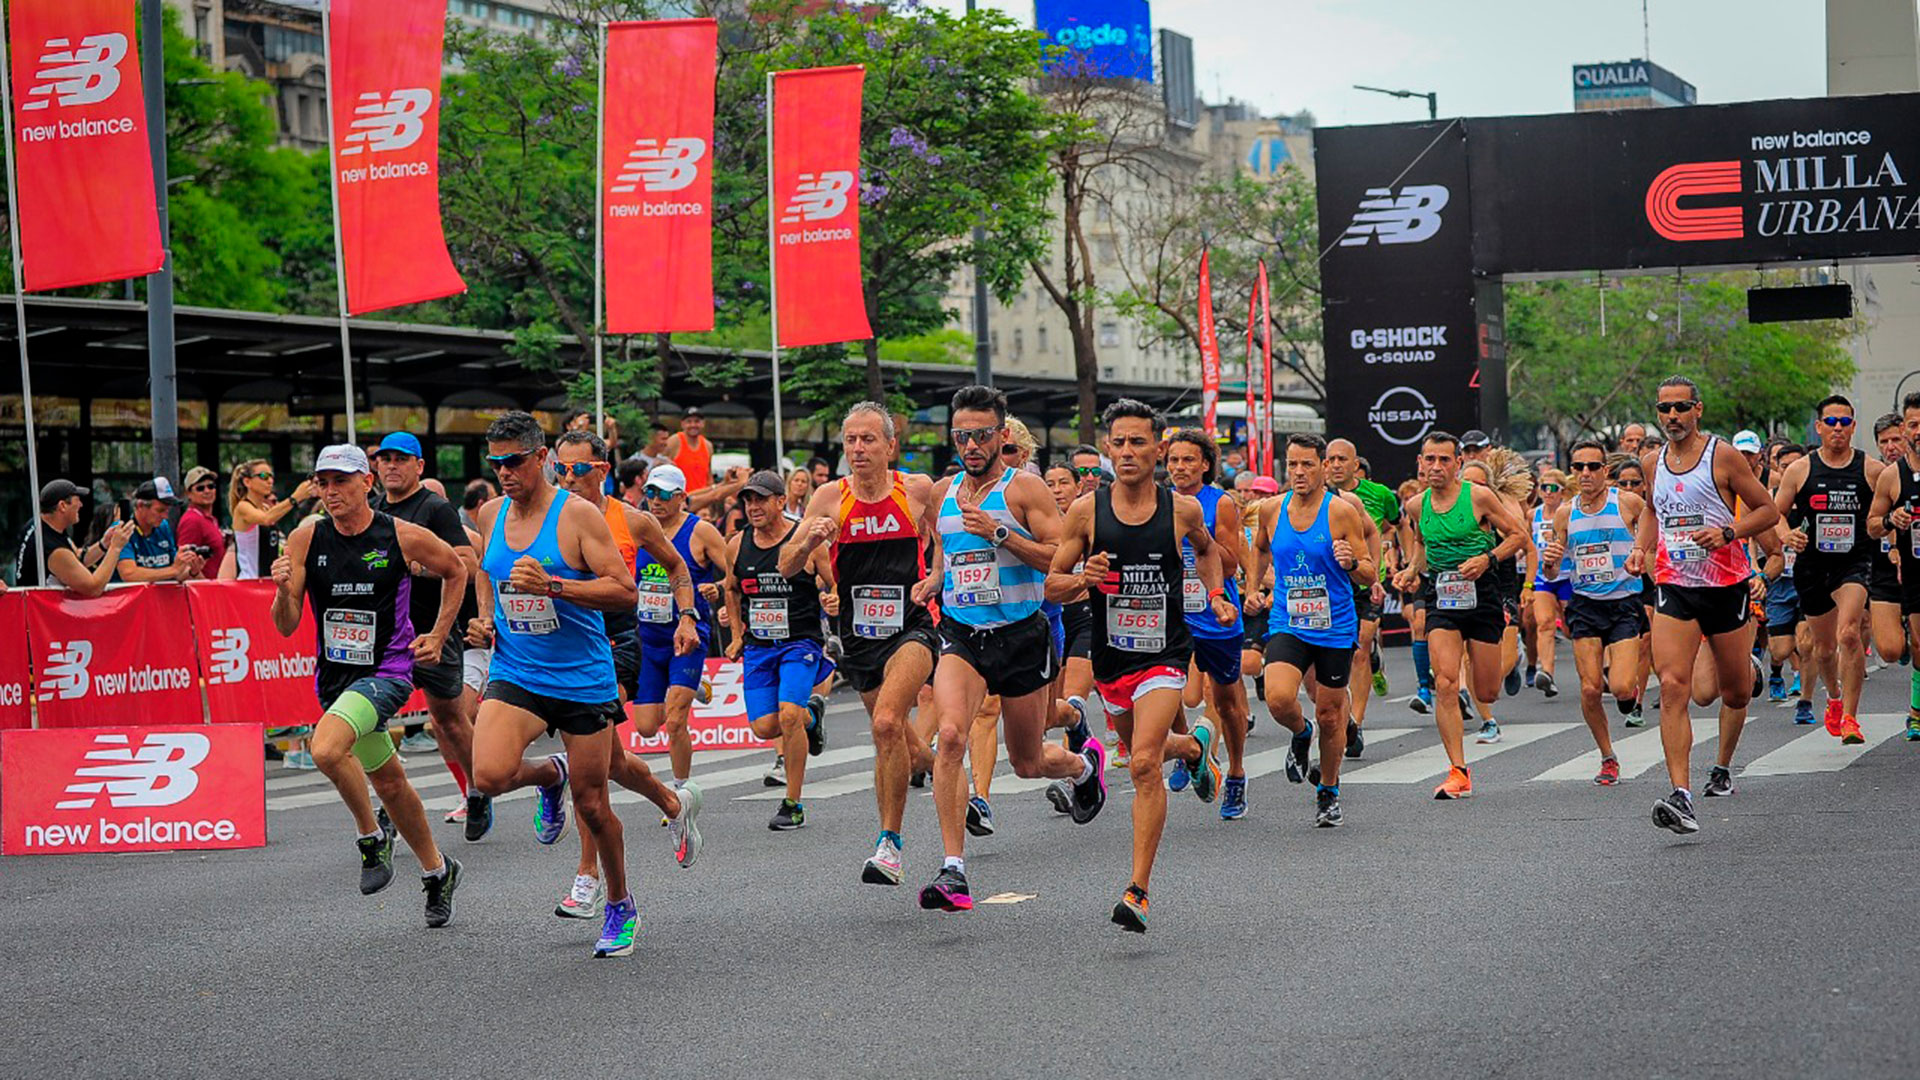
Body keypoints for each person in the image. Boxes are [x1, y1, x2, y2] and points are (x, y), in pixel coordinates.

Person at [1046, 398, 1235, 932]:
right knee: (1139, 751)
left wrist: (1216, 593)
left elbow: (1208, 551)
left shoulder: (1183, 510)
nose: (1128, 452)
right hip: (1111, 658)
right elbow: (1053, 584)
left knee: (1146, 764)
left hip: (1166, 653)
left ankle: (1138, 890)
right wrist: (1083, 576)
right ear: (1108, 450)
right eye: (1119, 443)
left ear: (1158, 448)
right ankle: (1197, 746)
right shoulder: (1086, 512)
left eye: (1138, 442)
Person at [466, 411, 643, 958]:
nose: (504, 472)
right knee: (489, 774)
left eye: (514, 461)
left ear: (541, 458)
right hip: (517, 669)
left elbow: (625, 591)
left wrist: (557, 586)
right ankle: (549, 775)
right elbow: (486, 568)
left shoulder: (578, 516)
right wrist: (486, 615)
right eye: (495, 462)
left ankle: (619, 904)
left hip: (582, 676)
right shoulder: (491, 513)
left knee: (593, 805)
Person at [268, 444, 466, 928]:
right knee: (392, 783)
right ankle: (438, 870)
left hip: (388, 672)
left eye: (341, 481)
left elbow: (458, 569)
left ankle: (371, 837)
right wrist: (281, 588)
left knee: (326, 747)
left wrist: (439, 634)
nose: (330, 491)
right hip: (336, 678)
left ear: (366, 484)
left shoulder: (399, 534)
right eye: (323, 482)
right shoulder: (305, 538)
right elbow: (287, 624)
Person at [915, 384, 1092, 915]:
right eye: (962, 435)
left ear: (1002, 433)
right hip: (963, 634)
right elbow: (949, 550)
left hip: (1021, 634)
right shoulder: (944, 491)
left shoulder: (1025, 490)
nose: (971, 444)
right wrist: (936, 579)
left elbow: (1061, 562)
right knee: (950, 736)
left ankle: (1084, 770)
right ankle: (953, 870)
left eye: (982, 434)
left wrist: (1000, 535)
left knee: (1029, 761)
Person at [548, 432, 705, 920]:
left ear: (603, 468)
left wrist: (687, 616)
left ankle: (588, 877)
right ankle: (675, 805)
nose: (568, 479)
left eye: (578, 470)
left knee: (585, 767)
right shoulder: (543, 516)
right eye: (561, 470)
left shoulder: (631, 520)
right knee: (610, 762)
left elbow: (679, 569)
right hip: (558, 645)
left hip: (615, 643)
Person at [784, 403, 943, 884]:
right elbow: (788, 565)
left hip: (913, 624)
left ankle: (889, 844)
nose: (858, 449)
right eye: (851, 440)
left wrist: (936, 577)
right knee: (894, 738)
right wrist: (810, 539)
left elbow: (952, 545)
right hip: (859, 636)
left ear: (890, 445)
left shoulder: (915, 490)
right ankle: (958, 781)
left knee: (888, 721)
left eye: (869, 439)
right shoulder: (828, 498)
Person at [1639, 376, 1779, 833]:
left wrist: (1727, 534)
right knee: (1674, 685)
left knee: (1735, 690)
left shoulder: (1722, 455)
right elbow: (1651, 511)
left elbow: (1767, 510)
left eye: (1681, 407)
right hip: (1675, 586)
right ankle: (1681, 795)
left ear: (1697, 409)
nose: (1672, 417)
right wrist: (1641, 549)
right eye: (1664, 409)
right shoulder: (1651, 462)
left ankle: (1747, 675)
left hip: (1727, 586)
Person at [369, 432, 493, 839]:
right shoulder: (370, 510)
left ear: (419, 466)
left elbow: (467, 562)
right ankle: (389, 805)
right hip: (386, 638)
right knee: (371, 721)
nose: (390, 465)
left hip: (432, 630)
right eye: (384, 458)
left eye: (400, 459)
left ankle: (478, 790)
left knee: (449, 721)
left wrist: (418, 567)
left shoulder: (435, 508)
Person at [1249, 434, 1375, 828]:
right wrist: (1254, 588)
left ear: (1323, 466)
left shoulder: (1341, 512)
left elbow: (1369, 572)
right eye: (1292, 465)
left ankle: (1329, 791)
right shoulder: (1272, 509)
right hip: (1288, 620)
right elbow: (1259, 548)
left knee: (1332, 716)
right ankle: (1300, 734)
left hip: (1334, 625)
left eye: (1307, 465)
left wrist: (1352, 562)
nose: (1299, 473)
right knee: (1278, 698)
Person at [1391, 432, 1524, 801]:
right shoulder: (1417, 505)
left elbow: (1518, 536)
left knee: (1487, 690)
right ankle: (1458, 771)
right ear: (1420, 462)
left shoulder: (1478, 496)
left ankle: (1512, 661)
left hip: (1482, 594)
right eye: (1429, 459)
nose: (1436, 467)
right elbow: (1421, 543)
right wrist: (1412, 570)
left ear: (1457, 464)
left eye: (1444, 460)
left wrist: (1488, 559)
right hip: (1441, 597)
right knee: (1446, 683)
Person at [723, 470, 832, 831]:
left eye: (761, 499)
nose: (753, 507)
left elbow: (834, 583)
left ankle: (793, 803)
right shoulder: (737, 544)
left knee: (788, 715)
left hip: (800, 641)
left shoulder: (805, 538)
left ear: (780, 502)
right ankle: (812, 717)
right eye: (748, 500)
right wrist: (737, 634)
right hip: (760, 646)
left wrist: (832, 599)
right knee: (764, 727)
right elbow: (732, 588)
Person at [1772, 395, 1878, 748]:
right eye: (1830, 422)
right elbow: (1774, 515)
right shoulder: (1800, 469)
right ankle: (1833, 696)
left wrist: (1891, 540)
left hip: (1854, 561)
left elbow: (1886, 508)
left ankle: (1850, 716)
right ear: (1818, 427)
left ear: (1853, 426)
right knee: (1822, 648)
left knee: (1849, 633)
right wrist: (1788, 536)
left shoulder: (1870, 469)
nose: (1838, 429)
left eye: (1844, 422)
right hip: (1813, 564)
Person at [1540, 440, 1647, 785]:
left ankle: (1628, 698)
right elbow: (1554, 572)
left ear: (1605, 471)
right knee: (1589, 690)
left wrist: (1643, 556)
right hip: (1585, 603)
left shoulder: (1628, 503)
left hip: (1624, 601)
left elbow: (1653, 535)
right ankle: (1608, 757)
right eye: (1578, 467)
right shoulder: (1565, 513)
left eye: (1592, 466)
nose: (1585, 473)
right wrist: (1550, 564)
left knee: (1620, 687)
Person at [1164, 430, 1252, 819]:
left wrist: (1196, 530)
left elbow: (1230, 564)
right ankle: (1186, 749)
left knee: (1228, 701)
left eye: (1188, 460)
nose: (1180, 468)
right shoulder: (1157, 502)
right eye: (1174, 460)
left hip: (1216, 613)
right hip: (1171, 612)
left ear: (1204, 464)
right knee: (1166, 689)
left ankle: (1235, 773)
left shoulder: (1221, 503)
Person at [1326, 437, 1396, 754]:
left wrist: (1375, 573)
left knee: (1359, 650)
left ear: (1355, 465)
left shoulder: (1361, 499)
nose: (1336, 465)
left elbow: (1374, 531)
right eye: (1331, 460)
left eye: (1343, 459)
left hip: (1359, 583)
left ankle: (1356, 721)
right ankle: (1340, 718)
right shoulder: (1300, 499)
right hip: (1320, 588)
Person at [1868, 392, 1920, 742]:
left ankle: (1917, 710)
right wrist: (1891, 518)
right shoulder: (1892, 476)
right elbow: (1872, 524)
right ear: (1905, 428)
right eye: (1914, 424)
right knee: (1915, 645)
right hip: (1913, 571)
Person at [1760, 443, 1815, 724]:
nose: (1791, 470)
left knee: (1806, 644)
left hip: (1809, 581)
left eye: (1797, 463)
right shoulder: (1767, 501)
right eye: (1784, 466)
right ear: (1777, 470)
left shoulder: (1816, 496)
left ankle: (1805, 701)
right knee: (1781, 648)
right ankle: (1776, 670)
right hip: (1780, 583)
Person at [16, 479, 133, 595]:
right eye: (77, 500)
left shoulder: (39, 524)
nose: (81, 505)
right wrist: (115, 548)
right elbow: (94, 588)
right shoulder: (55, 549)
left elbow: (77, 558)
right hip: (40, 611)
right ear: (62, 506)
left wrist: (104, 544)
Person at [1867, 414, 1909, 672]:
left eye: (1896, 439)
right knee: (1891, 651)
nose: (1891, 446)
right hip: (1881, 567)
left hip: (1913, 565)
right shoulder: (1873, 475)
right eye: (1884, 442)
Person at [1528, 468, 1572, 698]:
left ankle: (1601, 665)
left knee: (1571, 628)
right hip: (1542, 578)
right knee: (1544, 623)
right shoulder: (1533, 516)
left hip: (1568, 576)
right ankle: (1547, 674)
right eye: (1543, 487)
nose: (1547, 492)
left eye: (1552, 488)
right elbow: (1527, 545)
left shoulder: (1570, 511)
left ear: (1562, 491)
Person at [231, 460, 311, 579]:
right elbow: (266, 519)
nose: (270, 481)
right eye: (264, 476)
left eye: (271, 476)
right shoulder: (243, 507)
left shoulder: (265, 508)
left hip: (268, 581)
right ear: (247, 482)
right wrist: (296, 497)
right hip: (250, 581)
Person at [117, 478, 204, 583]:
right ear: (140, 506)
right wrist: (173, 570)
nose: (165, 516)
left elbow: (176, 574)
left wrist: (192, 571)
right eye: (160, 510)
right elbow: (128, 573)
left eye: (167, 510)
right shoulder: (123, 528)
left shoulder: (163, 526)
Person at [176, 466, 225, 579]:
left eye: (211, 486)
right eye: (200, 488)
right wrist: (206, 588)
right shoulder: (192, 520)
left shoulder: (210, 519)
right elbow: (184, 566)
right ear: (188, 493)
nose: (207, 491)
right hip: (204, 590)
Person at [664, 407, 713, 492]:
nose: (693, 425)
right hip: (679, 498)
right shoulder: (674, 441)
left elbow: (709, 475)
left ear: (703, 423)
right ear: (682, 424)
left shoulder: (708, 445)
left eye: (697, 421)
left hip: (702, 499)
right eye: (689, 421)